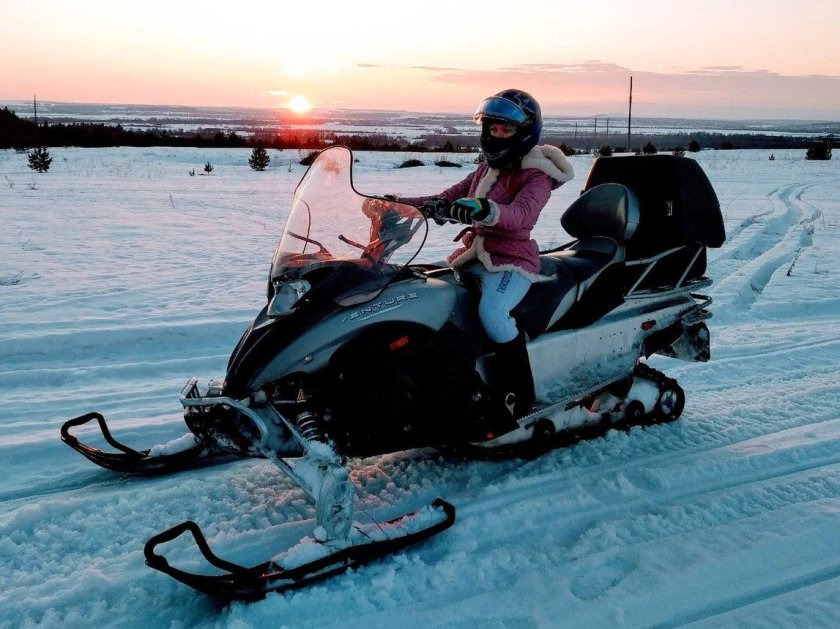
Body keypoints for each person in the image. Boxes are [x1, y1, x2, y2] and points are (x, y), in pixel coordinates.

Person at [399, 89, 575, 425]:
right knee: (431, 293)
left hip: (512, 261)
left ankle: (518, 393)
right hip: (475, 255)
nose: (496, 135)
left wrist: (486, 210)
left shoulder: (536, 175)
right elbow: (447, 196)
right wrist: (402, 204)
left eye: (505, 130)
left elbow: (521, 215)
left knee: (493, 312)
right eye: (492, 129)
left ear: (524, 133)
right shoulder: (486, 170)